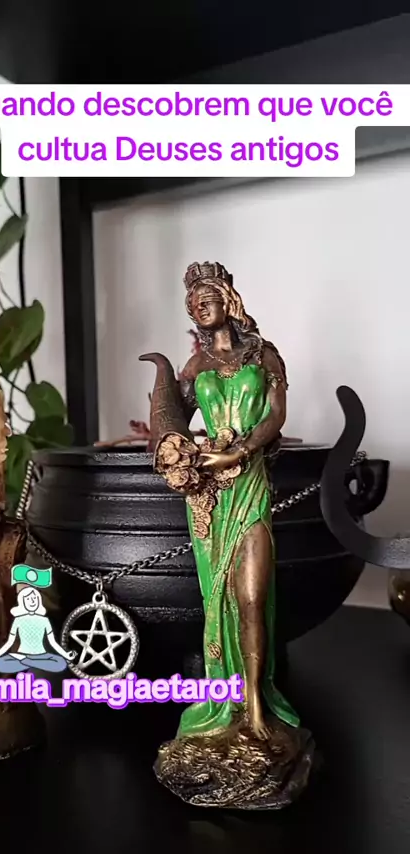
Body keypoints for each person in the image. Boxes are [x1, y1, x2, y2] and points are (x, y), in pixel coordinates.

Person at [145, 261, 299, 742]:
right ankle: (228, 702)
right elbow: (171, 421)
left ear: (227, 300)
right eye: (192, 304)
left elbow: (276, 415)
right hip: (210, 496)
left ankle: (256, 702)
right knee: (219, 597)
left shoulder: (264, 355)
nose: (198, 308)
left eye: (206, 299)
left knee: (252, 596)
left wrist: (242, 450)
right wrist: (174, 450)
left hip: (249, 487)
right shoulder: (196, 367)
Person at [0, 585, 75, 674]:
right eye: (28, 599)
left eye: (34, 598)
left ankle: (29, 662)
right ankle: (31, 662)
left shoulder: (44, 620)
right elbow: (10, 642)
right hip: (22, 656)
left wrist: (66, 654)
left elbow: (53, 642)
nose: (32, 601)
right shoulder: (18, 620)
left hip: (40, 656)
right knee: (0, 664)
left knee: (60, 663)